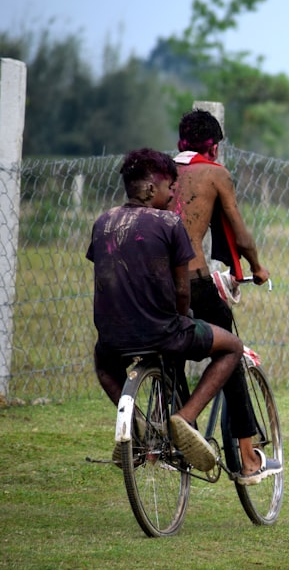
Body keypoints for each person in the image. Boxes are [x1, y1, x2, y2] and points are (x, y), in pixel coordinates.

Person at [87, 148, 244, 474]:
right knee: (232, 346)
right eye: (170, 188)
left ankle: (139, 425)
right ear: (148, 189)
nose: (175, 196)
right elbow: (182, 290)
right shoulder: (170, 224)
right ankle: (185, 419)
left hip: (113, 338)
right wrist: (184, 316)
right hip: (163, 330)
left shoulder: (102, 223)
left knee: (103, 365)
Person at [170, 109, 278, 484]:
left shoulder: (157, 174)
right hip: (195, 280)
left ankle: (173, 435)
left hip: (154, 285)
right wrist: (257, 267)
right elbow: (239, 231)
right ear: (213, 146)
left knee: (169, 350)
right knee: (229, 352)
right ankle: (248, 460)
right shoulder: (215, 174)